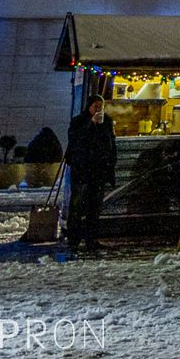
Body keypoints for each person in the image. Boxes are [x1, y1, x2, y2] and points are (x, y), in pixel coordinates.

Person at [63, 96, 118, 254]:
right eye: (95, 106)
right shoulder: (79, 121)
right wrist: (91, 123)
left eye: (101, 106)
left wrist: (111, 163)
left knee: (95, 208)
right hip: (82, 171)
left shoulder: (107, 121)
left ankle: (91, 239)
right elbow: (76, 140)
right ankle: (74, 239)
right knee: (77, 206)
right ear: (89, 107)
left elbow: (110, 143)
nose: (98, 109)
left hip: (99, 171)